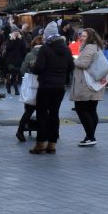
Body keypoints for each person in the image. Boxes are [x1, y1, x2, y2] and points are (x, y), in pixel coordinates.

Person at [29, 21, 73, 154]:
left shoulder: (45, 48)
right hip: (59, 87)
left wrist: (32, 66)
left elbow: (39, 68)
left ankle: (40, 144)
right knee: (54, 114)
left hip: (46, 86)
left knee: (42, 114)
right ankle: (52, 144)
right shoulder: (66, 49)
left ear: (47, 35)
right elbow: (71, 66)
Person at [68, 28, 107, 147]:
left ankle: (91, 137)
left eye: (84, 36)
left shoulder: (90, 47)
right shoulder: (93, 47)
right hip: (93, 83)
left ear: (90, 37)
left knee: (81, 109)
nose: (81, 38)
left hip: (86, 84)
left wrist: (72, 60)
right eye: (81, 35)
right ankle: (90, 136)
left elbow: (84, 64)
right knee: (91, 110)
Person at [14, 37, 42, 144]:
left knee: (29, 111)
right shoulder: (46, 53)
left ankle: (20, 131)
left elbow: (22, 70)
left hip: (32, 87)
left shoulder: (30, 55)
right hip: (43, 86)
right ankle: (43, 132)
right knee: (43, 111)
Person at [2, 28, 28, 96]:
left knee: (16, 73)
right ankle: (16, 89)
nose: (16, 33)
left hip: (19, 60)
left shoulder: (21, 39)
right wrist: (12, 39)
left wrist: (20, 40)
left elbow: (24, 50)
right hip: (10, 60)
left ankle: (9, 84)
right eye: (15, 31)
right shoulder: (9, 38)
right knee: (13, 72)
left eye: (17, 31)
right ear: (12, 32)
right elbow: (8, 47)